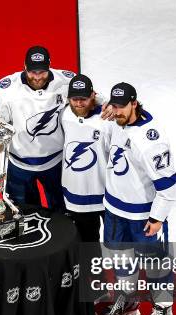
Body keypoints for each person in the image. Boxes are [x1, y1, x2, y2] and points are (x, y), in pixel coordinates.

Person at [100, 82, 176, 315]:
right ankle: (129, 299)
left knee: (155, 265)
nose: (116, 111)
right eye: (114, 105)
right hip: (114, 209)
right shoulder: (115, 121)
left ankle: (163, 312)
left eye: (122, 106)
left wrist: (157, 218)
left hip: (142, 217)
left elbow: (170, 186)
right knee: (121, 258)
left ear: (134, 103)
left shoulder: (151, 141)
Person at [0, 45, 74, 211]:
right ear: (24, 66)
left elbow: (91, 98)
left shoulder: (67, 81)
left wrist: (106, 105)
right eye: (33, 72)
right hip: (18, 164)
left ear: (50, 66)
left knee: (64, 212)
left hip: (57, 162)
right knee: (25, 214)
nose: (37, 77)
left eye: (42, 72)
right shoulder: (7, 88)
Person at [61, 74, 111, 242]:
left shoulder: (107, 118)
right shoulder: (65, 114)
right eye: (74, 99)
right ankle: (93, 269)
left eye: (83, 99)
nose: (79, 103)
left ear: (93, 96)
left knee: (117, 244)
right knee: (88, 246)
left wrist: (107, 102)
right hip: (77, 197)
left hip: (107, 195)